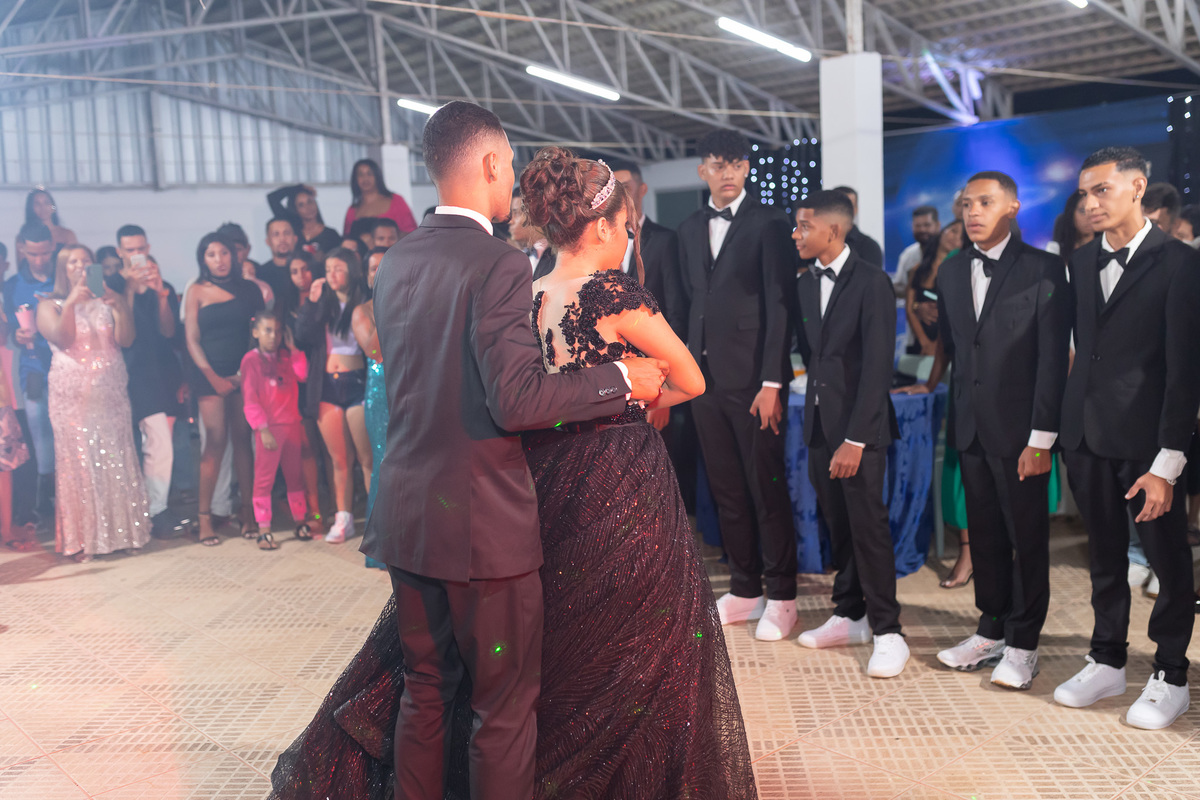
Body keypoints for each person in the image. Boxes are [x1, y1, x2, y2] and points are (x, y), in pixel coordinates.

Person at [269, 103, 746, 800]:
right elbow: (516, 402)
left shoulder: (397, 260)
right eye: (510, 165)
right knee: (502, 709)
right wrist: (620, 379)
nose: (513, 179)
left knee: (425, 690)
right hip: (481, 526)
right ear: (491, 163)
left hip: (405, 515)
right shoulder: (495, 261)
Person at [1053, 147, 1200, 730]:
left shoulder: (1180, 263)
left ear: (1137, 188)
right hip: (1086, 437)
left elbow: (1185, 371)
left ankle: (1170, 674)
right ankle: (1107, 659)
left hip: (1148, 444)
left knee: (1167, 560)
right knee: (1105, 557)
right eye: (1084, 194)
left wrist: (1168, 462)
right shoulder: (1081, 260)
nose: (1090, 203)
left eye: (1102, 191)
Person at [914, 172, 1072, 690]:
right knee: (983, 534)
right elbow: (958, 350)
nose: (973, 212)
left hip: (1024, 432)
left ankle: (1024, 643)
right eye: (967, 204)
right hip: (971, 427)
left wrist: (1041, 438)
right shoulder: (952, 271)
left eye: (985, 202)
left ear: (1013, 206)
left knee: (1027, 538)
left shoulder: (1044, 268)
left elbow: (1052, 360)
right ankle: (991, 629)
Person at [678, 129, 799, 642]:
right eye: (717, 164)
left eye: (735, 164)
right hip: (703, 381)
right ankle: (746, 588)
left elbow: (779, 305)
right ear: (702, 170)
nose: (727, 173)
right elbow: (689, 303)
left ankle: (784, 596)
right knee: (726, 488)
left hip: (754, 381)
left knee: (765, 487)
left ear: (747, 169)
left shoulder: (770, 221)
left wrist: (773, 380)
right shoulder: (689, 227)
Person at [790, 191, 906, 677]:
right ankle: (850, 613)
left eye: (804, 226)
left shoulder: (872, 281)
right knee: (837, 524)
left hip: (860, 431)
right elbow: (812, 358)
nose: (796, 234)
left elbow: (878, 366)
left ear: (833, 230)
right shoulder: (804, 283)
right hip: (819, 424)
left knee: (868, 528)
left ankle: (888, 630)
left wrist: (856, 439)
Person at [37, 244, 150, 562]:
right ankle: (86, 538)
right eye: (72, 262)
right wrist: (72, 302)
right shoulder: (49, 304)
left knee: (116, 456)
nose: (80, 266)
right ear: (63, 269)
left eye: (85, 261)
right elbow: (63, 339)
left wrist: (121, 305)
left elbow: (126, 339)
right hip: (72, 396)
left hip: (110, 390)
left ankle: (125, 532)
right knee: (82, 461)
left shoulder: (107, 299)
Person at [184, 232, 265, 547]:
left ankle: (249, 512)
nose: (219, 260)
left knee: (244, 440)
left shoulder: (249, 290)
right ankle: (204, 517)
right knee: (215, 441)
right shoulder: (196, 290)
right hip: (209, 374)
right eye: (211, 254)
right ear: (202, 259)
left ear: (234, 255)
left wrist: (244, 374)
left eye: (224, 253)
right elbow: (191, 338)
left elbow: (258, 333)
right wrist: (214, 377)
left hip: (245, 373)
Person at [294, 247, 372, 545]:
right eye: (328, 270)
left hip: (358, 382)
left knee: (366, 458)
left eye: (338, 268)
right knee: (338, 459)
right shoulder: (322, 304)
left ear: (352, 270)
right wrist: (311, 303)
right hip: (326, 385)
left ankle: (376, 519)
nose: (332, 275)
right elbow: (302, 336)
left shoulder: (365, 302)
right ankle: (343, 517)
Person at [112, 225, 185, 539]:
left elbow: (169, 331)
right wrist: (130, 289)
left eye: (141, 248)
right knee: (124, 446)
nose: (136, 255)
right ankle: (129, 513)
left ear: (148, 247)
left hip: (156, 372)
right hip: (122, 373)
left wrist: (160, 295)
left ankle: (156, 509)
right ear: (119, 252)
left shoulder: (161, 284)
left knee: (160, 442)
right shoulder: (111, 283)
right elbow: (123, 336)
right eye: (130, 250)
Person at [241, 310, 311, 550]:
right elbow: (250, 399)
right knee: (264, 478)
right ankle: (264, 529)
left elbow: (302, 374)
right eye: (267, 330)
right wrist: (262, 429)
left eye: (278, 331)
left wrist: (293, 349)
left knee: (295, 476)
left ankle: (300, 520)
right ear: (256, 332)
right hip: (269, 429)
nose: (273, 336)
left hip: (291, 425)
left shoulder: (286, 356)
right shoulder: (251, 360)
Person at [5, 222, 57, 520]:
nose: (39, 260)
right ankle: (48, 500)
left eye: (44, 253)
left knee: (70, 435)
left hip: (69, 367)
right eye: (33, 254)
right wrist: (17, 335)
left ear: (52, 247)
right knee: (40, 439)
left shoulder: (63, 277)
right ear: (22, 250)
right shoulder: (12, 285)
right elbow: (11, 331)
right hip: (34, 370)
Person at [352, 247, 387, 570]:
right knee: (384, 462)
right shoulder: (361, 311)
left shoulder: (409, 300)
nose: (379, 272)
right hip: (380, 394)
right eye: (373, 268)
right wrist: (387, 304)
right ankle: (381, 548)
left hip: (410, 390)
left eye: (385, 265)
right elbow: (375, 351)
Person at [905, 220, 964, 356]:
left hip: (947, 346)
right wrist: (925, 342)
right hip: (919, 343)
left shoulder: (959, 274)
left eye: (961, 237)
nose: (955, 238)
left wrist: (938, 347)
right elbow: (909, 306)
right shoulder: (917, 269)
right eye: (953, 231)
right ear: (943, 231)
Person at [343, 158, 417, 237]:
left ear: (377, 176)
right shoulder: (352, 210)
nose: (365, 178)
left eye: (369, 174)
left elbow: (413, 233)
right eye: (361, 175)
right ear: (355, 179)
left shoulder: (396, 201)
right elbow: (346, 238)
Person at [267, 183, 342, 256]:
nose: (308, 208)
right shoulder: (292, 230)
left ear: (315, 203)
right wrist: (299, 187)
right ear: (295, 209)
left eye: (310, 202)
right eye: (301, 205)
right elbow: (272, 198)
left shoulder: (331, 234)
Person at [830, 185, 884, 267]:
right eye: (840, 207)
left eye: (850, 206)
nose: (845, 211)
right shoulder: (820, 243)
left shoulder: (869, 247)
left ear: (856, 209)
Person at [893, 205, 940, 297]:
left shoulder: (947, 251)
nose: (922, 229)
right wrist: (915, 291)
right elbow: (898, 285)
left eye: (927, 225)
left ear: (937, 225)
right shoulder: (908, 254)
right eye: (917, 226)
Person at [510, 190, 556, 279]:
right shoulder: (521, 258)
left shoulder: (558, 256)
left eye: (516, 213)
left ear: (534, 215)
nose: (511, 221)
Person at [262, 217, 303, 315]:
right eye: (276, 234)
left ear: (295, 238)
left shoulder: (308, 270)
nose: (282, 239)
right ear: (268, 241)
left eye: (287, 233)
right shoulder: (261, 273)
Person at [1047, 190, 1096, 262]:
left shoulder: (1106, 248)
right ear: (1071, 213)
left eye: (1092, 210)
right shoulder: (1056, 249)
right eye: (1082, 211)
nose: (1088, 217)